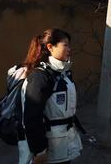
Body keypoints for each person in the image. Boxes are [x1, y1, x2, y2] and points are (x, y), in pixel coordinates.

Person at [21, 29, 82, 164]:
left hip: (64, 143)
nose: (69, 49)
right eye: (65, 45)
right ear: (50, 47)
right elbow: (32, 117)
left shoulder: (63, 73)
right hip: (49, 149)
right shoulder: (40, 77)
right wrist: (40, 151)